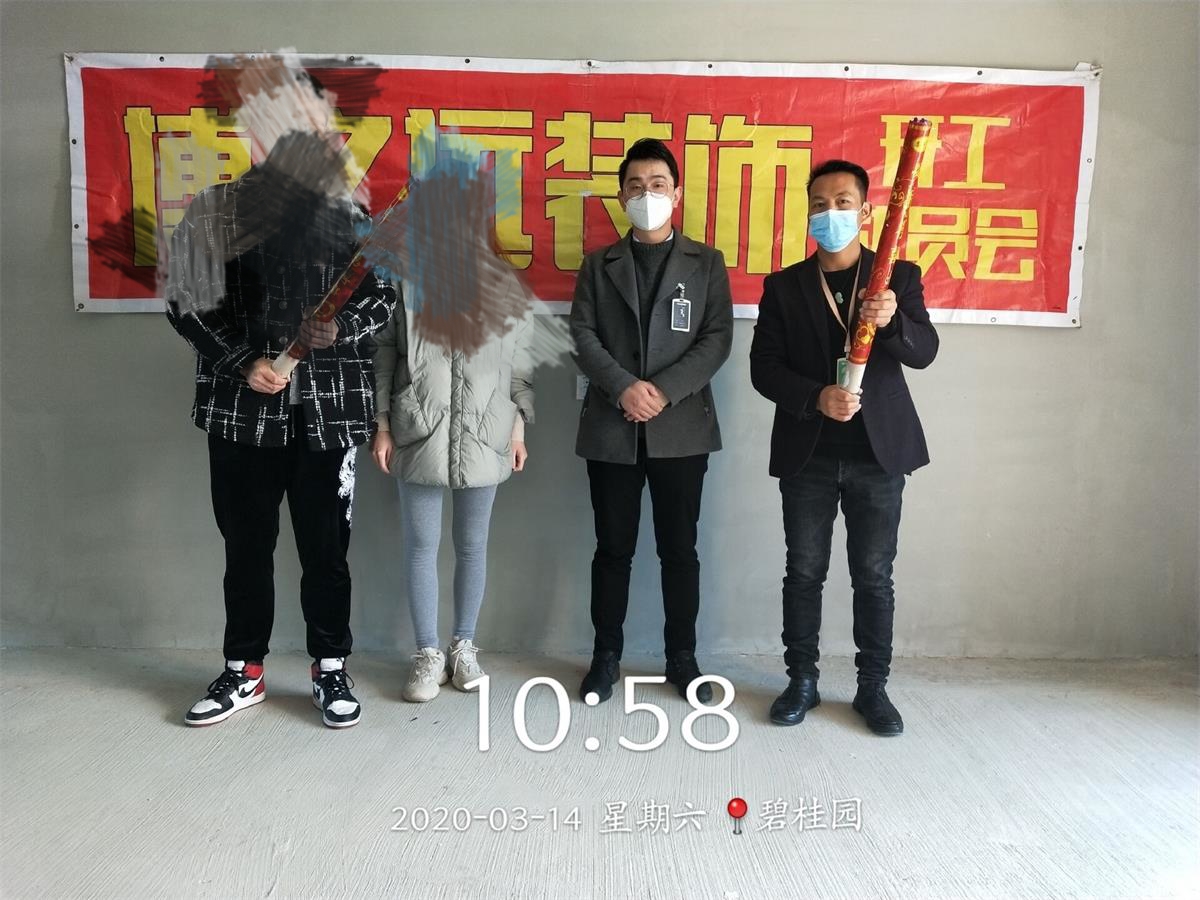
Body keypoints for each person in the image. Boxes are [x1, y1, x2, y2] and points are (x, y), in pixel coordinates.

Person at [166, 139, 396, 729]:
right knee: (245, 546)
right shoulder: (214, 211)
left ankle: (330, 666)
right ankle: (243, 669)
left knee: (327, 550)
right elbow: (183, 302)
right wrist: (242, 361)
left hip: (330, 413)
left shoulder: (349, 213)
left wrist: (341, 326)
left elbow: (384, 294)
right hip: (241, 413)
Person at [749, 159, 939, 736]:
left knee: (874, 575)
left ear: (866, 212)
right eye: (819, 204)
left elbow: (925, 352)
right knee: (804, 572)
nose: (829, 213)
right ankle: (801, 681)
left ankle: (872, 688)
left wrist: (893, 322)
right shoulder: (784, 286)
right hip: (808, 453)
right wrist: (816, 397)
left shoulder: (897, 277)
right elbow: (763, 368)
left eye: (842, 202)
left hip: (877, 455)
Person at [569, 138, 733, 704]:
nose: (647, 195)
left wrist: (660, 391)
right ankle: (605, 658)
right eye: (635, 186)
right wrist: (623, 387)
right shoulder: (598, 265)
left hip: (681, 429)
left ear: (676, 193)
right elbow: (582, 336)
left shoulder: (706, 263)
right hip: (611, 428)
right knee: (612, 550)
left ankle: (682, 659)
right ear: (621, 197)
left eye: (658, 184)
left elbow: (716, 340)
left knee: (679, 551)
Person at [371, 278, 534, 702]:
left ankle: (463, 647)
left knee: (473, 545)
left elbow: (519, 367)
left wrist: (517, 431)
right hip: (418, 429)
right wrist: (382, 425)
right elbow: (384, 354)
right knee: (420, 546)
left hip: (486, 431)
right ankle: (427, 654)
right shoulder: (404, 286)